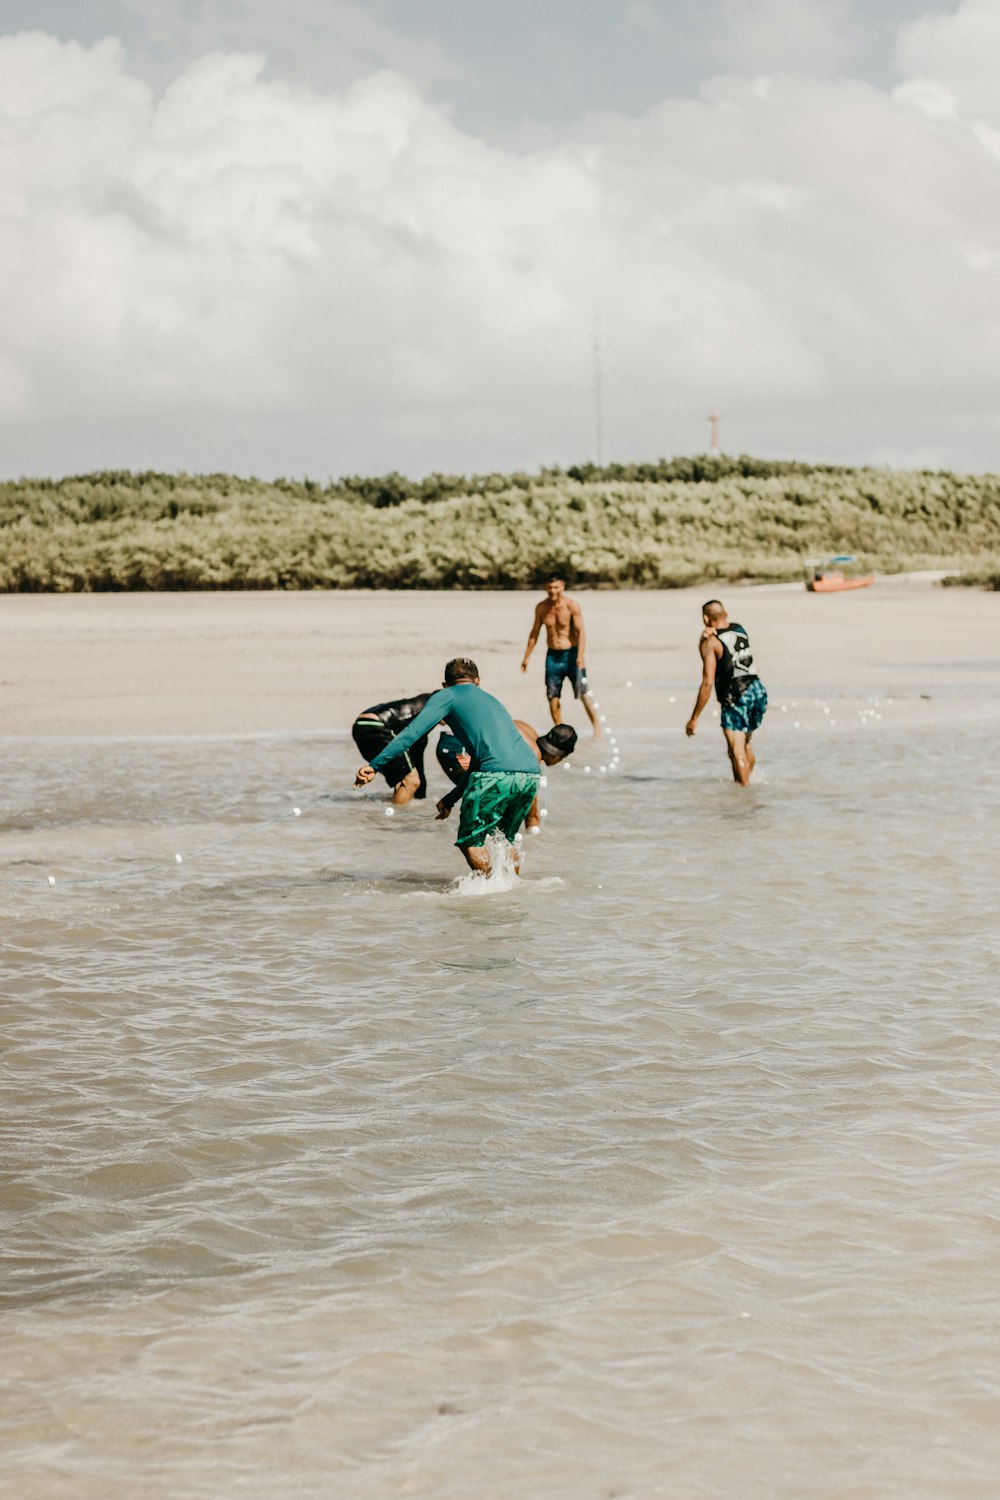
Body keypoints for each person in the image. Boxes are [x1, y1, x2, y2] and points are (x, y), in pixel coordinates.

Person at [355, 659, 540, 876]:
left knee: (469, 841)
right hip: (530, 775)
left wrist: (375, 765)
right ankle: (511, 891)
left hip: (495, 775)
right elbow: (481, 763)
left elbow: (411, 734)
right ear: (478, 681)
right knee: (504, 840)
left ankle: (491, 894)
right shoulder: (493, 701)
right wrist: (450, 799)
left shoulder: (446, 695)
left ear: (445, 684)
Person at [436, 720, 577, 833]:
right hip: (457, 748)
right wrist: (533, 827)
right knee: (486, 816)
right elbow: (531, 804)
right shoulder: (531, 758)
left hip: (454, 737)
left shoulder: (527, 729)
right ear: (557, 755)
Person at [685, 600, 767, 786]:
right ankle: (747, 780)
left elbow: (707, 682)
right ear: (725, 614)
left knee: (736, 751)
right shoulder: (740, 629)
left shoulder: (711, 643)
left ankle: (743, 796)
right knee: (744, 744)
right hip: (757, 690)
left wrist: (694, 717)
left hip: (735, 695)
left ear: (706, 618)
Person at [520, 575, 601, 739]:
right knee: (552, 696)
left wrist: (580, 656)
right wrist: (526, 657)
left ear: (563, 586)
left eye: (556, 587)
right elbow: (534, 632)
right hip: (553, 656)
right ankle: (560, 730)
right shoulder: (542, 608)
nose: (552, 591)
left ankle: (596, 728)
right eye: (550, 587)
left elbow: (581, 633)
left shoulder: (571, 605)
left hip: (571, 654)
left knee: (583, 694)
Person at [351, 693, 433, 804]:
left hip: (361, 726)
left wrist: (421, 798)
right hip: (376, 725)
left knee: (403, 776)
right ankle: (399, 819)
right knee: (411, 781)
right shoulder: (437, 705)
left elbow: (417, 757)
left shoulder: (424, 703)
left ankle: (394, 811)